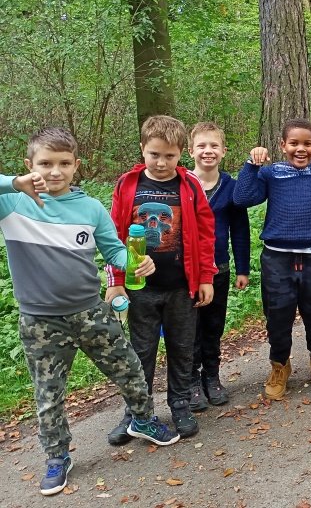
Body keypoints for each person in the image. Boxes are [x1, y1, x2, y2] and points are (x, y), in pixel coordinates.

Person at [1, 128, 179, 496]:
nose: (55, 171)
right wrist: (15, 183)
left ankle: (142, 420)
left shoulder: (90, 208)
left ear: (76, 165)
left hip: (90, 312)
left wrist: (136, 262)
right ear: (29, 165)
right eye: (45, 163)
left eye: (64, 163)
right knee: (49, 394)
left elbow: (114, 252)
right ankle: (57, 456)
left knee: (130, 368)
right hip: (40, 321)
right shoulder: (13, 204)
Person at [105, 115, 217, 442]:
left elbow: (206, 234)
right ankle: (137, 412)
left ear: (181, 152)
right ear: (142, 148)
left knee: (182, 348)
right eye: (154, 154)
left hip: (182, 287)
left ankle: (180, 404)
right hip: (140, 289)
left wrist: (206, 277)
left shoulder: (190, 186)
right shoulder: (128, 185)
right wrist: (116, 280)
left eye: (170, 155)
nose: (162, 162)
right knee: (141, 352)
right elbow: (113, 235)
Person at [234, 118, 311, 400]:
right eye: (294, 143)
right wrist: (251, 165)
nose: (301, 149)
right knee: (278, 314)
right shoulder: (271, 174)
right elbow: (241, 198)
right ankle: (279, 364)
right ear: (282, 145)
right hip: (278, 257)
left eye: (307, 144)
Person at [187, 122, 250, 411]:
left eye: (214, 146)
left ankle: (211, 376)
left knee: (214, 325)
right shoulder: (182, 184)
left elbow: (240, 230)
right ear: (190, 151)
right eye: (201, 146)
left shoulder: (231, 188)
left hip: (219, 268)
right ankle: (190, 381)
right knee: (190, 328)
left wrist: (242, 268)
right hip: (187, 271)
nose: (207, 151)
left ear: (224, 151)